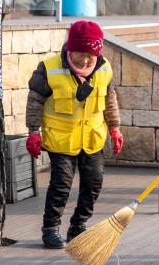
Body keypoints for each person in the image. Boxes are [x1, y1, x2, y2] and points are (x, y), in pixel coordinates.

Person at [25, 21, 123, 249]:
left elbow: (110, 99)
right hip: (61, 139)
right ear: (70, 48)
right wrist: (33, 132)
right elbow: (34, 102)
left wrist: (115, 128)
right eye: (81, 53)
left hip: (93, 138)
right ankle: (50, 229)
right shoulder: (49, 69)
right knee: (61, 184)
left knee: (94, 183)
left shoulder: (104, 67)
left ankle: (78, 225)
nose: (86, 60)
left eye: (91, 54)